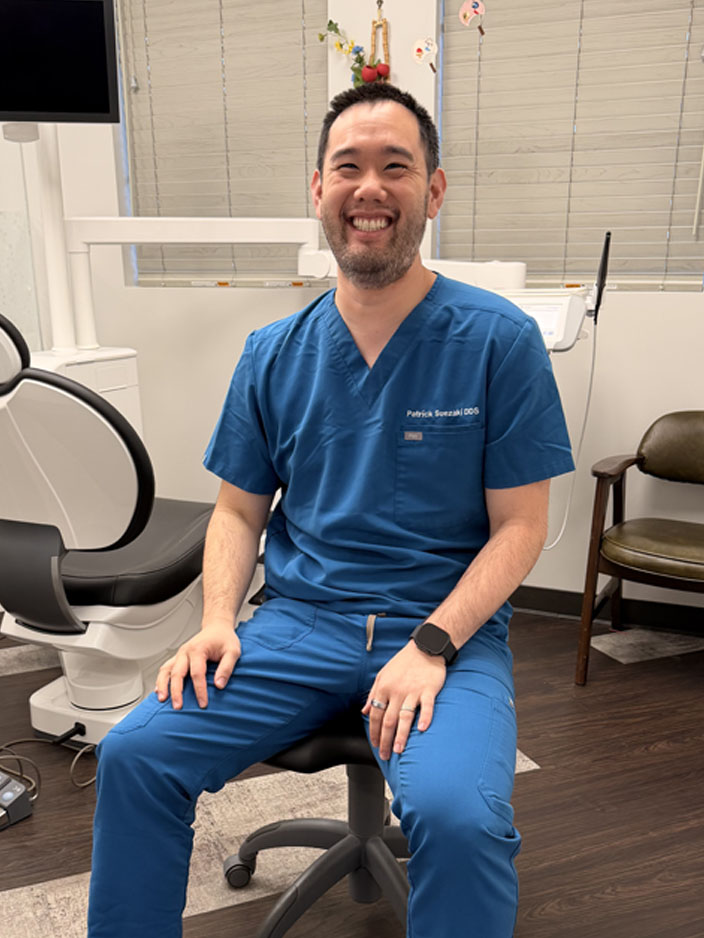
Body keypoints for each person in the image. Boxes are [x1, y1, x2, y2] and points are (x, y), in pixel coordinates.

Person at [87, 82, 574, 938]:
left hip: (442, 632)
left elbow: (521, 528)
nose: (370, 189)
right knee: (135, 754)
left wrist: (431, 644)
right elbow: (238, 512)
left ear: (435, 189)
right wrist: (216, 619)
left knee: (461, 822)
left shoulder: (499, 341)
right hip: (298, 625)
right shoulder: (273, 353)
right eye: (348, 167)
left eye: (397, 167)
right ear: (318, 190)